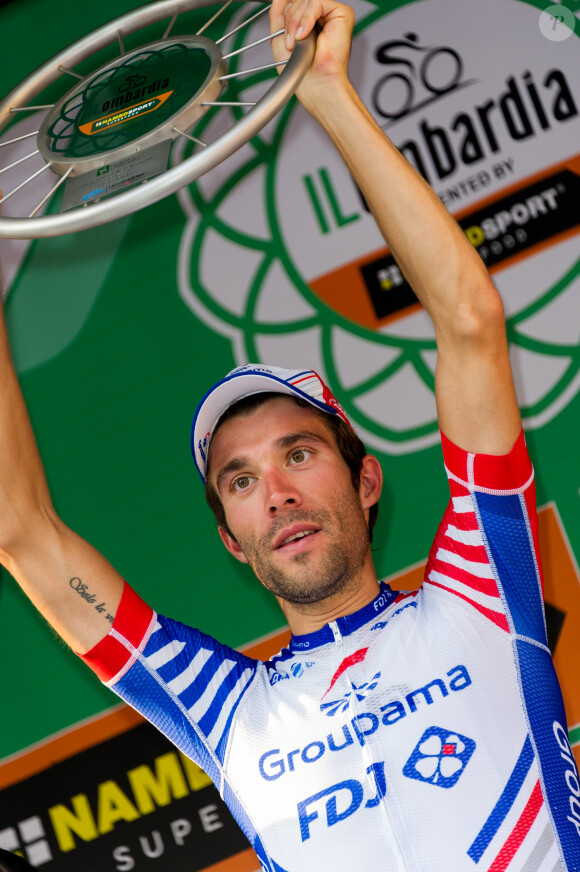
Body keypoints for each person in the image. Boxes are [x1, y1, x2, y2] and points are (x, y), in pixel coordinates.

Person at [0, 1, 577, 870]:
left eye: (299, 455)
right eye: (239, 481)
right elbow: (19, 533)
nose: (276, 493)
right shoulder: (220, 707)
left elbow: (468, 320)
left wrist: (327, 92)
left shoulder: (481, 593)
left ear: (367, 480)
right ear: (232, 542)